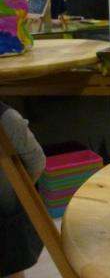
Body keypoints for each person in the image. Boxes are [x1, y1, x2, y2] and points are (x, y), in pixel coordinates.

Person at [0, 102, 46, 278]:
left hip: (6, 218)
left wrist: (20, 192)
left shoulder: (7, 119)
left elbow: (36, 162)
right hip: (8, 211)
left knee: (13, 264)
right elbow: (37, 162)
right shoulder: (8, 118)